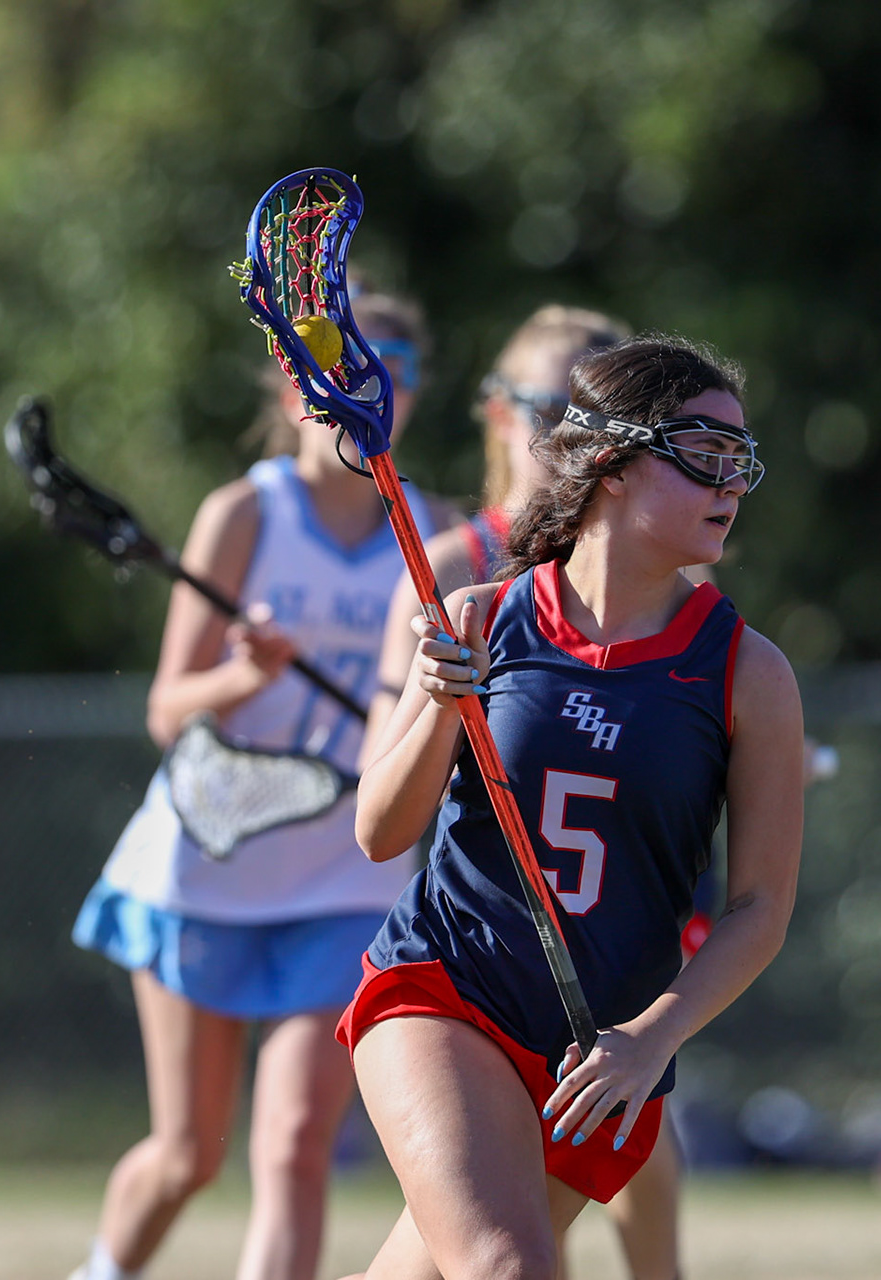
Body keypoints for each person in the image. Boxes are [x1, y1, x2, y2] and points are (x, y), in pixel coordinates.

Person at [340, 335, 803, 1280]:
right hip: (447, 989)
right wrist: (436, 701)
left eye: (741, 461)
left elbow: (760, 910)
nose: (734, 484)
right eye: (705, 456)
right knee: (510, 1268)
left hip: (597, 1058)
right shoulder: (480, 617)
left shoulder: (748, 674)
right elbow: (379, 834)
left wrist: (652, 1037)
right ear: (614, 465)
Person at [66, 293, 462, 1280]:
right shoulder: (246, 513)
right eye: (345, 363)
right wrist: (247, 674)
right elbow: (171, 708)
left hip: (348, 873)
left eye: (398, 365)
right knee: (188, 1154)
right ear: (296, 387)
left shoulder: (439, 533)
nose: (374, 383)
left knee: (292, 1145)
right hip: (209, 860)